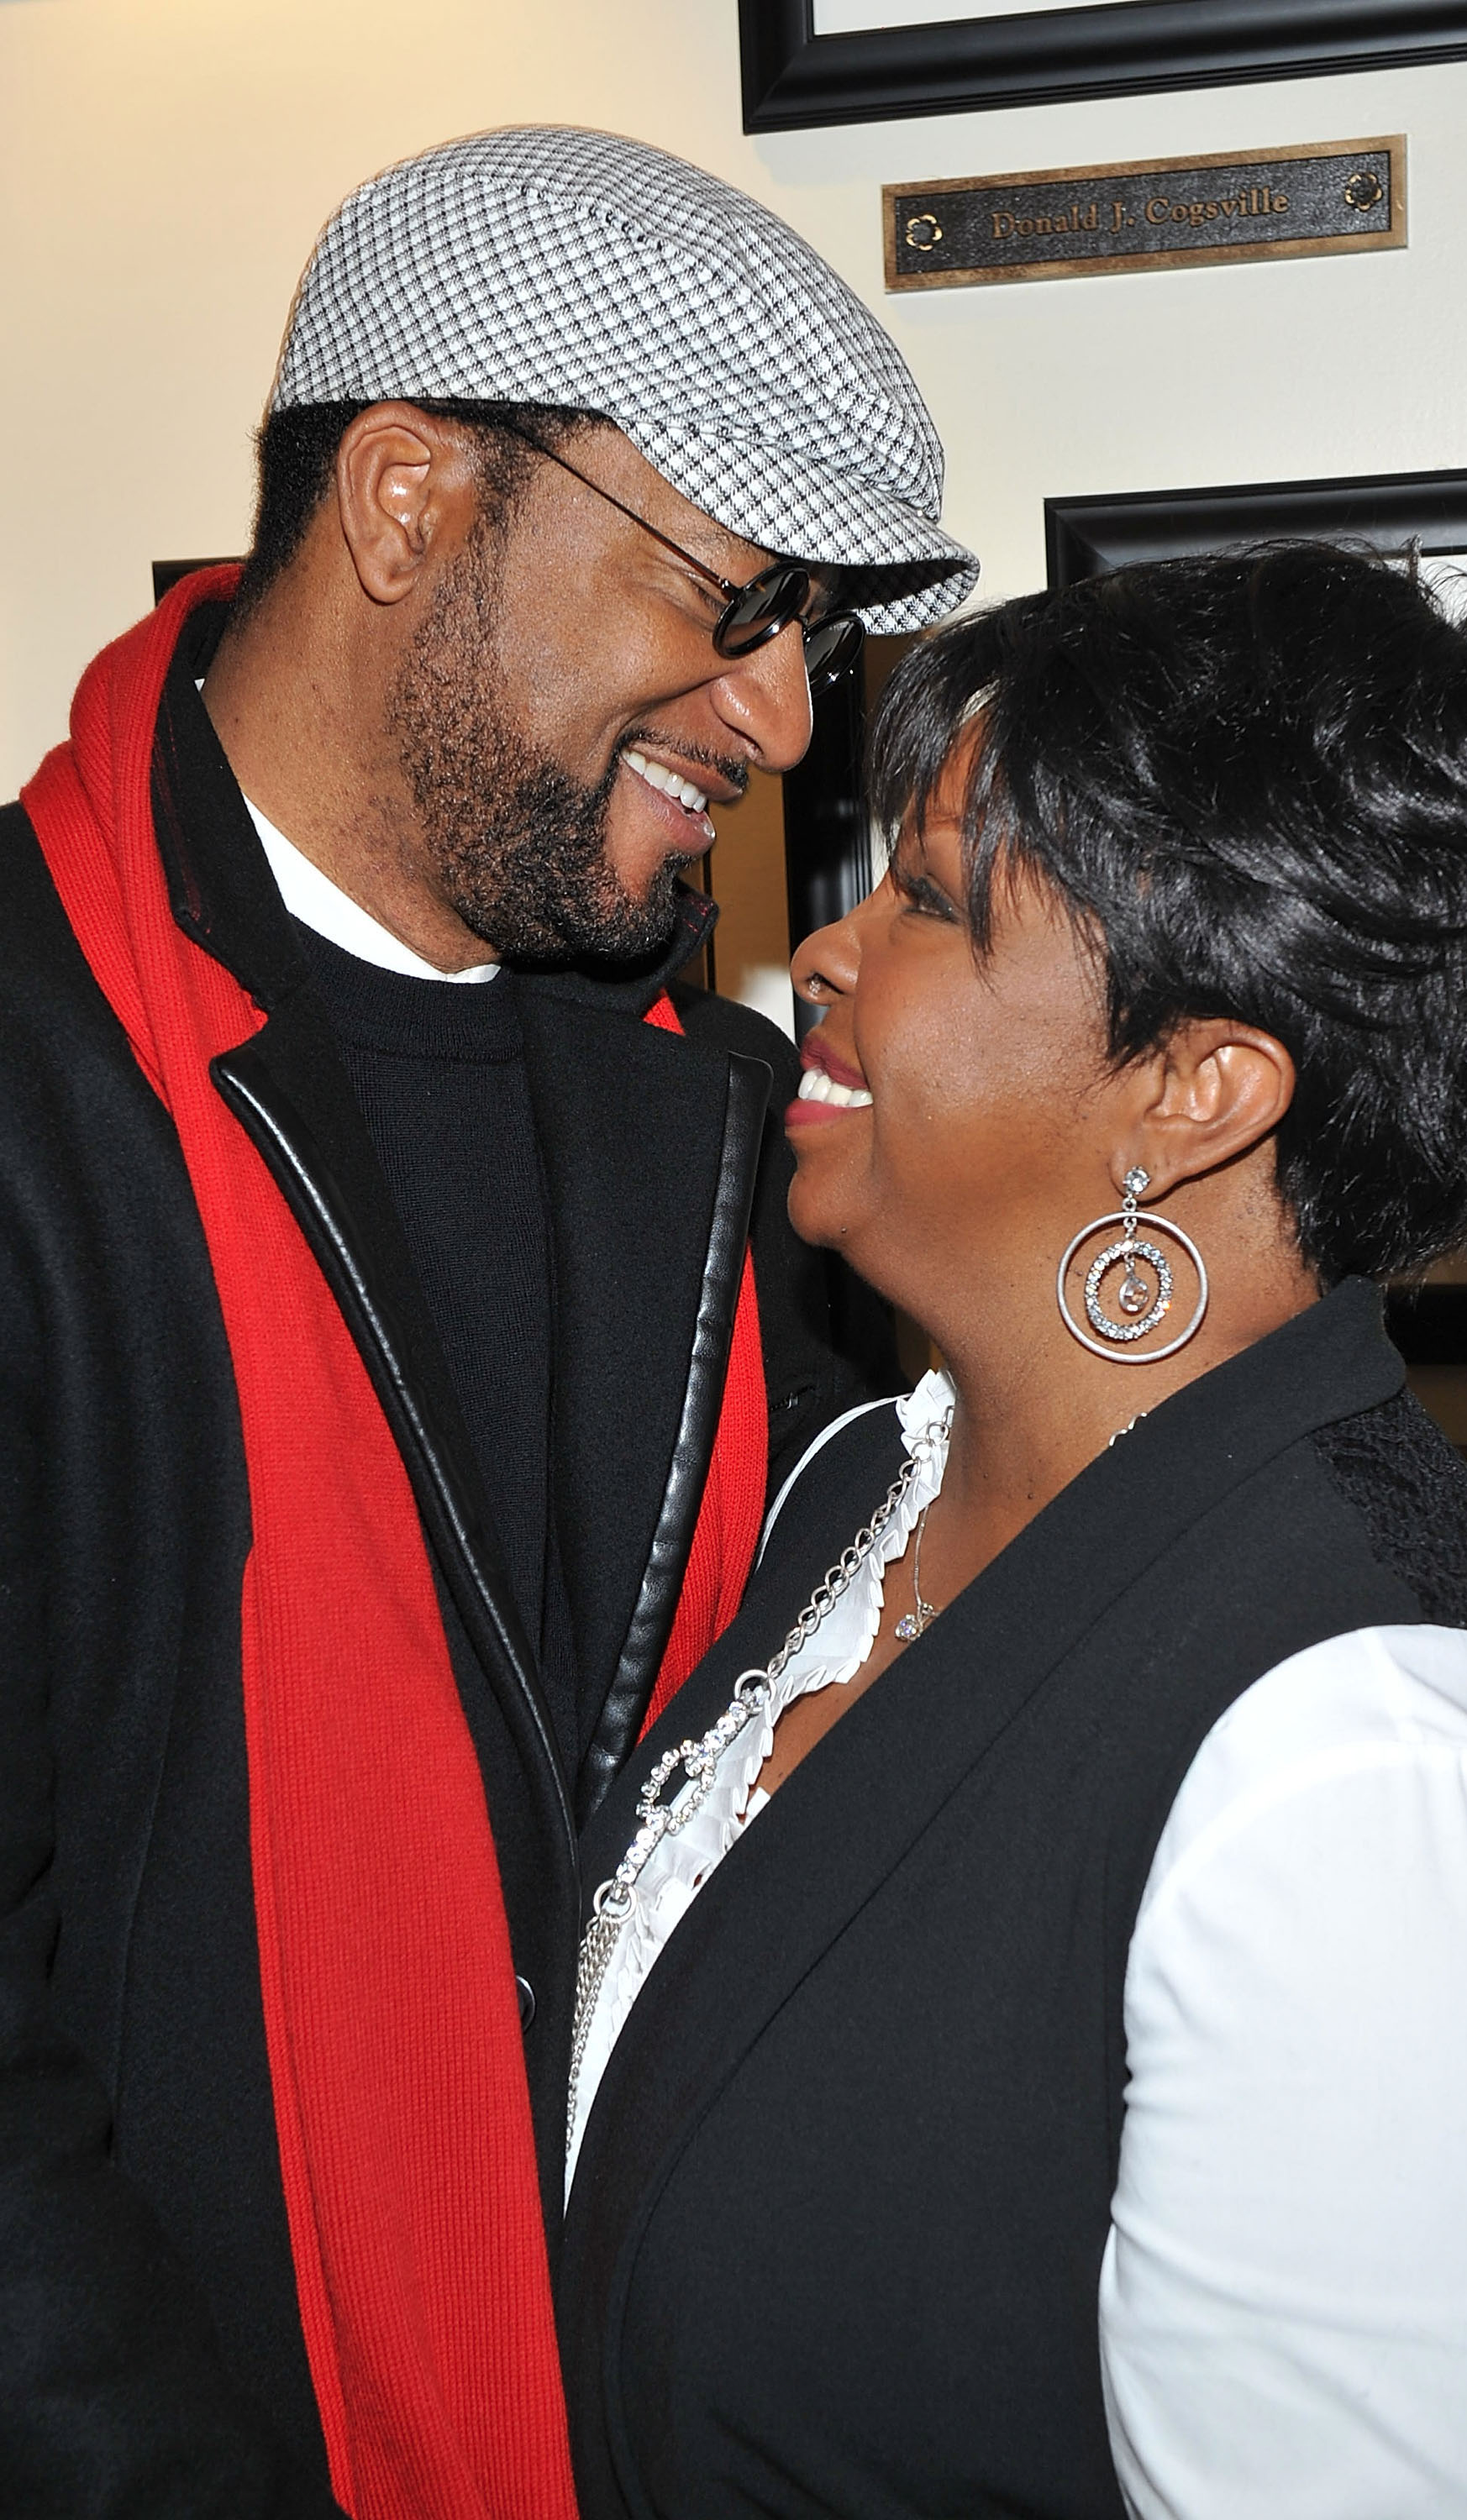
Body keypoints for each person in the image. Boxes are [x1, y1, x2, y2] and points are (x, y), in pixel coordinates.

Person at [0, 127, 975, 2516]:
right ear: (415, 498)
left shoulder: (769, 1144)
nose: (773, 715)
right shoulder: (37, 1097)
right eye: (738, 599)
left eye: (812, 636)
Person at [560, 545, 1467, 2520]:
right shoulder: (858, 1501)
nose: (826, 954)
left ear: (1194, 1084)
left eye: (926, 897)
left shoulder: (1379, 1774)